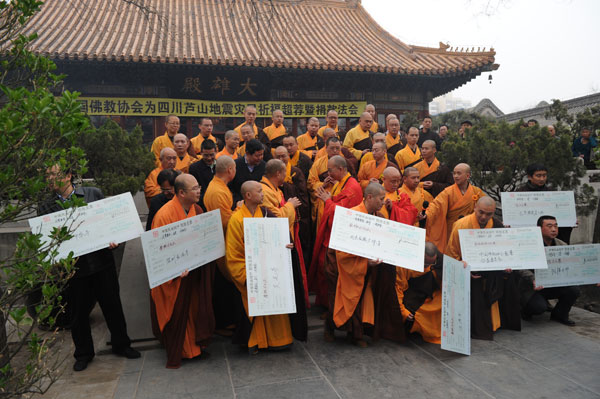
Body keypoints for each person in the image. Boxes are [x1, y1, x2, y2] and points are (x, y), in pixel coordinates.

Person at [40, 165, 140, 372]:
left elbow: (110, 222)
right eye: (47, 175)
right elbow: (47, 239)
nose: (49, 178)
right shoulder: (47, 206)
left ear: (68, 176)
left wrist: (115, 240)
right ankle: (84, 353)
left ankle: (122, 344)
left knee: (112, 305)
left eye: (53, 174)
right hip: (74, 269)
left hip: (102, 262)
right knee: (77, 313)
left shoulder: (92, 193)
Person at [225, 181, 307, 353]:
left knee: (275, 303)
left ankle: (279, 339)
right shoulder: (236, 220)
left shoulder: (265, 213)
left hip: (270, 270)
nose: (263, 194)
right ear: (248, 196)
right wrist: (247, 276)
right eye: (259, 191)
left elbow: (277, 238)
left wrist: (286, 245)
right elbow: (233, 255)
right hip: (252, 273)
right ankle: (256, 341)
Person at [150, 174, 214, 368]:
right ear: (181, 193)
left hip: (193, 270)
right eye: (194, 188)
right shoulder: (164, 215)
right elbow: (157, 251)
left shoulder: (198, 209)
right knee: (179, 313)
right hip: (175, 276)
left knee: (194, 309)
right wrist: (175, 269)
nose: (199, 191)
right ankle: (183, 350)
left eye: (198, 187)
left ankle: (195, 347)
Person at [446, 197, 521, 340]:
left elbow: (504, 251)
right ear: (474, 207)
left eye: (489, 214)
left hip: (492, 270)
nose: (484, 217)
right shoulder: (461, 225)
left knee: (511, 278)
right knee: (475, 284)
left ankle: (502, 321)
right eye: (481, 212)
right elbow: (452, 253)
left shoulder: (497, 226)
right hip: (468, 270)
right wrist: (464, 269)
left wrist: (505, 266)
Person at [330, 182, 386, 347]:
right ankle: (352, 335)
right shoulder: (352, 215)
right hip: (353, 266)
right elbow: (342, 249)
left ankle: (358, 332)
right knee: (351, 299)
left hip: (369, 267)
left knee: (363, 299)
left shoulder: (378, 217)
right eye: (381, 199)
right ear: (369, 197)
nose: (384, 202)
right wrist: (364, 262)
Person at [309, 156, 362, 311]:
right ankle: (325, 303)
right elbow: (338, 201)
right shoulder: (342, 183)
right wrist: (329, 196)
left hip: (340, 237)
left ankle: (331, 307)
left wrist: (327, 200)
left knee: (329, 271)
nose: (328, 173)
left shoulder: (352, 187)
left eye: (330, 170)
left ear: (340, 169)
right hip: (332, 233)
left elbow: (342, 213)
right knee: (323, 267)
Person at [516, 216, 580, 326]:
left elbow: (571, 265)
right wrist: (533, 279)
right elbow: (520, 267)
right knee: (538, 307)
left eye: (556, 226)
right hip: (532, 286)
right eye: (549, 226)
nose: (554, 229)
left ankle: (559, 315)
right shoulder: (529, 245)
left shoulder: (562, 245)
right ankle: (525, 310)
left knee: (574, 290)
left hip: (553, 283)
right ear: (539, 228)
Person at [204, 156, 239, 336]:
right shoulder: (218, 191)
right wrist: (240, 210)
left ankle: (227, 321)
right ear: (230, 170)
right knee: (224, 283)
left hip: (222, 239)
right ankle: (223, 323)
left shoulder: (219, 186)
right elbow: (225, 221)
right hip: (221, 240)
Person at [425, 163, 486, 253]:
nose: (455, 176)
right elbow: (436, 206)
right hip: (452, 229)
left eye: (459, 173)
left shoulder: (476, 191)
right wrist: (426, 216)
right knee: (453, 253)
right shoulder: (448, 192)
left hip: (470, 229)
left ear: (467, 175)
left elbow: (486, 208)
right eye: (454, 173)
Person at [396, 242, 444, 344]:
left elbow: (452, 269)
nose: (428, 266)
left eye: (432, 263)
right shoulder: (404, 263)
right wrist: (403, 312)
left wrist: (462, 265)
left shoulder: (438, 261)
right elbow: (398, 288)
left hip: (428, 293)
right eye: (425, 263)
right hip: (410, 294)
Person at [274, 146, 313, 267]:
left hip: (297, 214)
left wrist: (285, 185)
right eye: (278, 156)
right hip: (281, 213)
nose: (281, 159)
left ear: (288, 156)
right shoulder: (272, 173)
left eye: (283, 156)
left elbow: (302, 194)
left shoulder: (296, 171)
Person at [516, 163, 573, 244]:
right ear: (529, 177)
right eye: (538, 176)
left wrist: (570, 220)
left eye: (544, 175)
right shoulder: (520, 193)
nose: (542, 179)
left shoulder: (552, 192)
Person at [229, 139, 266, 204]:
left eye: (261, 155)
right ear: (247, 153)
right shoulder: (235, 165)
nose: (260, 158)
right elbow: (230, 187)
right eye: (257, 156)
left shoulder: (263, 166)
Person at [188, 139, 217, 210]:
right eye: (206, 155)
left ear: (216, 152)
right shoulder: (194, 168)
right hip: (202, 204)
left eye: (211, 155)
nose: (209, 158)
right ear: (201, 153)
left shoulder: (221, 166)